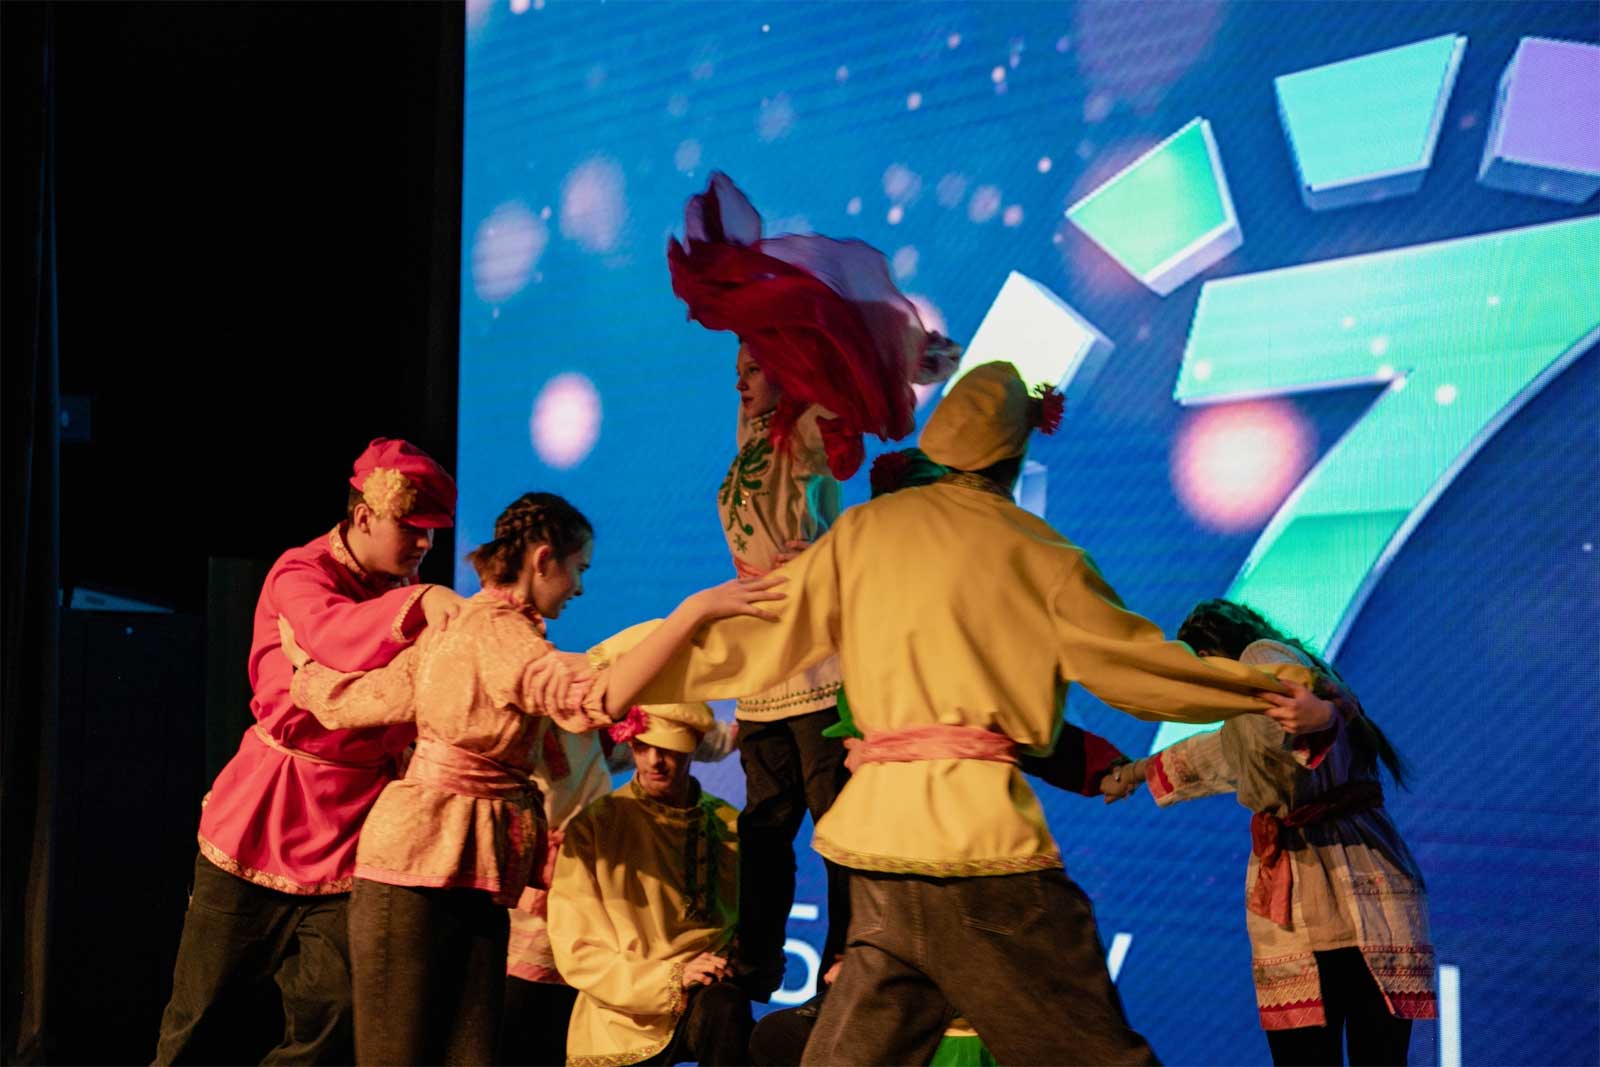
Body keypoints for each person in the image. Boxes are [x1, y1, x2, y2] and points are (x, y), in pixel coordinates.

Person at [587, 362, 1338, 1066]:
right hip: (979, 853)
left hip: (879, 855)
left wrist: (618, 673)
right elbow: (1142, 668)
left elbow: (753, 639)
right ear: (1014, 455)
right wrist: (1277, 690)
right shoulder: (1036, 551)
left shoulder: (865, 534)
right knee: (1097, 1052)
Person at [278, 492, 782, 1064]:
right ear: (543, 560)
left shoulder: (475, 629)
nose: (579, 587)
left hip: (475, 865)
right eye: (578, 569)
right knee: (404, 1054)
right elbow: (595, 697)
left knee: (462, 1053)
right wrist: (692, 612)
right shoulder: (498, 634)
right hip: (418, 862)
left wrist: (306, 668)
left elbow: (351, 700)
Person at [669, 170, 961, 998]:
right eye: (737, 370)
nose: (739, 381)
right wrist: (737, 292)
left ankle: (849, 955)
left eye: (752, 368)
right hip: (764, 660)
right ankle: (756, 958)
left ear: (785, 374)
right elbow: (764, 346)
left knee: (837, 818)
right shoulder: (750, 440)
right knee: (766, 821)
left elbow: (841, 366)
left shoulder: (804, 431)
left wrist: (908, 355)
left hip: (822, 657)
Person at [153, 437, 461, 1066]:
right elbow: (334, 636)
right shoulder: (303, 573)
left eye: (432, 531)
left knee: (337, 1016)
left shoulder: (403, 588)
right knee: (201, 1018)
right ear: (365, 516)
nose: (425, 543)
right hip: (267, 816)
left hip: (352, 830)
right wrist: (422, 603)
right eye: (412, 527)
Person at [1104, 599, 1434, 1066]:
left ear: (1211, 655)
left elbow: (1291, 722)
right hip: (1354, 884)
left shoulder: (1260, 658)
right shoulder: (1256, 702)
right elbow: (1218, 752)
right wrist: (1135, 771)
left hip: (1336, 886)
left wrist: (1322, 716)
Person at [499, 710, 737, 1067]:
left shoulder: (728, 825)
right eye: (642, 747)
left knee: (726, 1009)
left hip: (696, 988)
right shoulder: (596, 825)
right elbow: (579, 951)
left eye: (667, 749)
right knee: (528, 1032)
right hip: (593, 969)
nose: (654, 761)